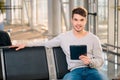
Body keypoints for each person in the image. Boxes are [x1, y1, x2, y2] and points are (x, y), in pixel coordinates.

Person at [11, 6, 108, 80]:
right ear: (72, 20)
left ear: (85, 21)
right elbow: (45, 43)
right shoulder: (63, 37)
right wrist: (25, 44)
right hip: (74, 72)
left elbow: (100, 60)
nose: (78, 23)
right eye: (76, 20)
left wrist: (90, 61)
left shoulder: (94, 38)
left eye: (81, 20)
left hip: (92, 71)